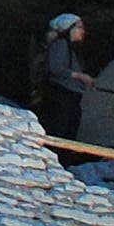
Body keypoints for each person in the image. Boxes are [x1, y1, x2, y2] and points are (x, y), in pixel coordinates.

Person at [31, 10, 91, 143]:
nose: (83, 31)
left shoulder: (68, 48)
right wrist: (80, 76)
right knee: (61, 131)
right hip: (62, 97)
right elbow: (56, 68)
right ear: (69, 28)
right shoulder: (61, 44)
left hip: (68, 97)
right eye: (80, 27)